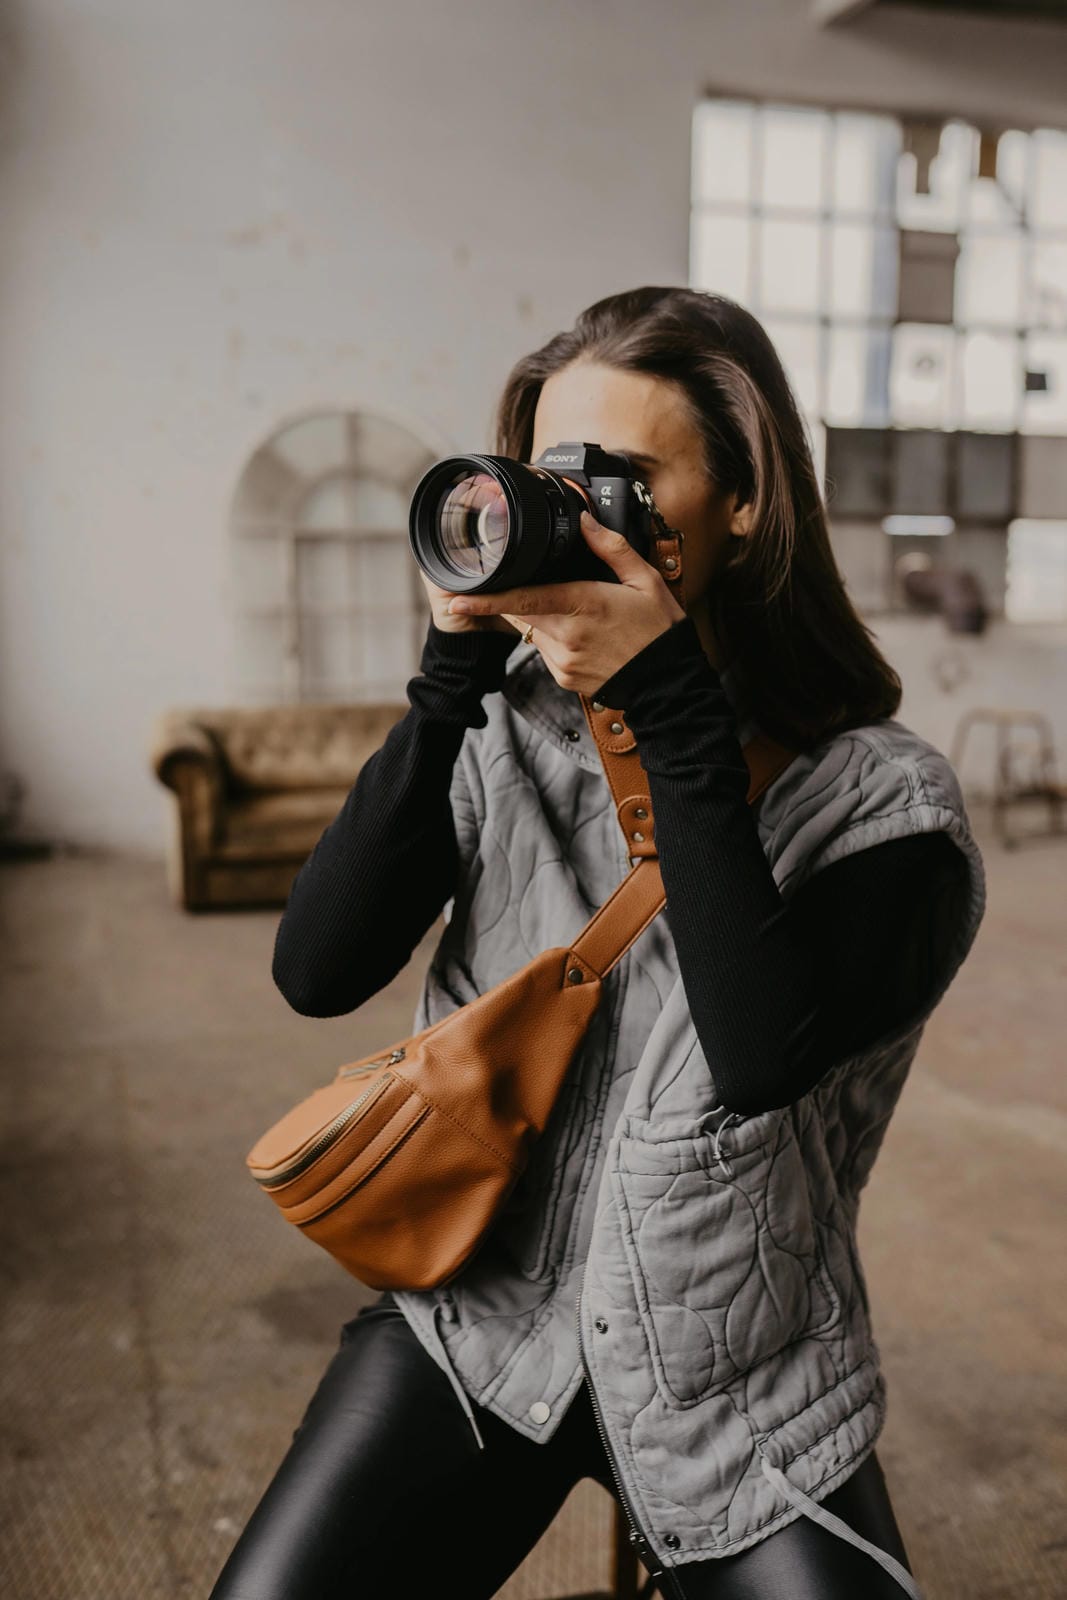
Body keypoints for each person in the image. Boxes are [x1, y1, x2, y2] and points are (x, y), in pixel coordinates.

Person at [210, 287, 986, 1599]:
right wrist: (447, 681)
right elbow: (316, 971)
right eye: (551, 478)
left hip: (738, 1382)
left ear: (744, 502)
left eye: (617, 481)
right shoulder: (503, 731)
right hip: (480, 1324)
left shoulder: (886, 807)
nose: (576, 513)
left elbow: (757, 1054)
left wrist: (671, 707)